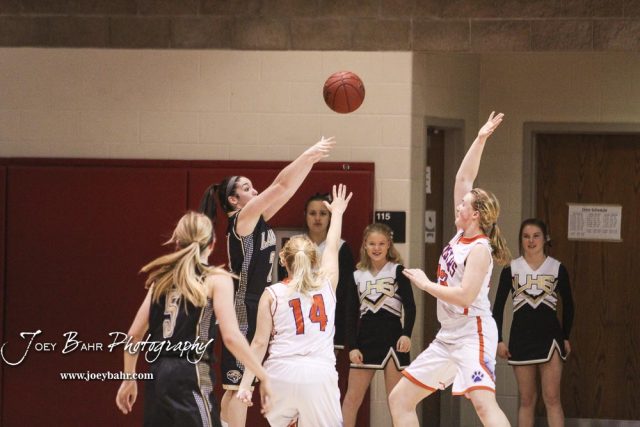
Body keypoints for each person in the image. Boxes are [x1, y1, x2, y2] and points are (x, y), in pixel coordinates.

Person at [198, 136, 335, 427]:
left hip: (254, 303)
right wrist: (308, 154)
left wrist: (309, 162)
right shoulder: (242, 218)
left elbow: (286, 187)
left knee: (237, 387)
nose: (256, 191)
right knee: (238, 388)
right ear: (234, 200)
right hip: (243, 306)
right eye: (247, 188)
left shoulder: (256, 217)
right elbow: (280, 186)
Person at [388, 112, 511, 427]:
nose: (458, 206)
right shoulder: (460, 235)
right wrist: (480, 138)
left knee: (483, 404)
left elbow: (465, 296)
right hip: (448, 335)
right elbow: (463, 179)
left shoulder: (480, 249)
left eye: (463, 205)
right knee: (400, 399)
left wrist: (426, 284)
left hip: (473, 333)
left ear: (476, 214)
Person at [115, 211, 272, 427]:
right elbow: (231, 337)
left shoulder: (161, 280)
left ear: (177, 243)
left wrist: (128, 378)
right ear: (212, 244)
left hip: (157, 375)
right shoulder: (216, 279)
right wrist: (262, 376)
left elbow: (133, 336)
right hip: (192, 372)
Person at [236, 184, 352, 427]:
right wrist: (338, 213)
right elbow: (332, 246)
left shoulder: (272, 294)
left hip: (280, 374)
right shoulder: (327, 285)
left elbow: (259, 344)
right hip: (318, 374)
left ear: (282, 260)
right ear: (314, 259)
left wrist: (246, 385)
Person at [492, 218, 574, 427]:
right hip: (521, 339)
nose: (531, 241)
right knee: (527, 400)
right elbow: (497, 307)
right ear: (520, 239)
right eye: (526, 236)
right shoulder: (511, 269)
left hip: (551, 340)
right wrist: (498, 340)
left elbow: (569, 305)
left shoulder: (557, 268)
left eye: (536, 236)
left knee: (552, 398)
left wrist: (565, 336)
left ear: (545, 239)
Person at [341, 222, 416, 426]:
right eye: (372, 243)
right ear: (365, 245)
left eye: (381, 243)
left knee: (397, 401)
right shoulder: (356, 275)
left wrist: (406, 334)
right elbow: (350, 315)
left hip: (393, 340)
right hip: (365, 342)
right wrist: (352, 346)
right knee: (351, 399)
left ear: (389, 244)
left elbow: (410, 306)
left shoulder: (398, 271)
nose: (376, 248)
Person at [278, 192, 356, 351]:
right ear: (305, 215)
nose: (318, 218)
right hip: (296, 313)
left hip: (328, 316)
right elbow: (285, 281)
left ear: (330, 217)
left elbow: (346, 292)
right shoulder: (294, 244)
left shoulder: (341, 248)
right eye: (313, 213)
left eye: (323, 213)